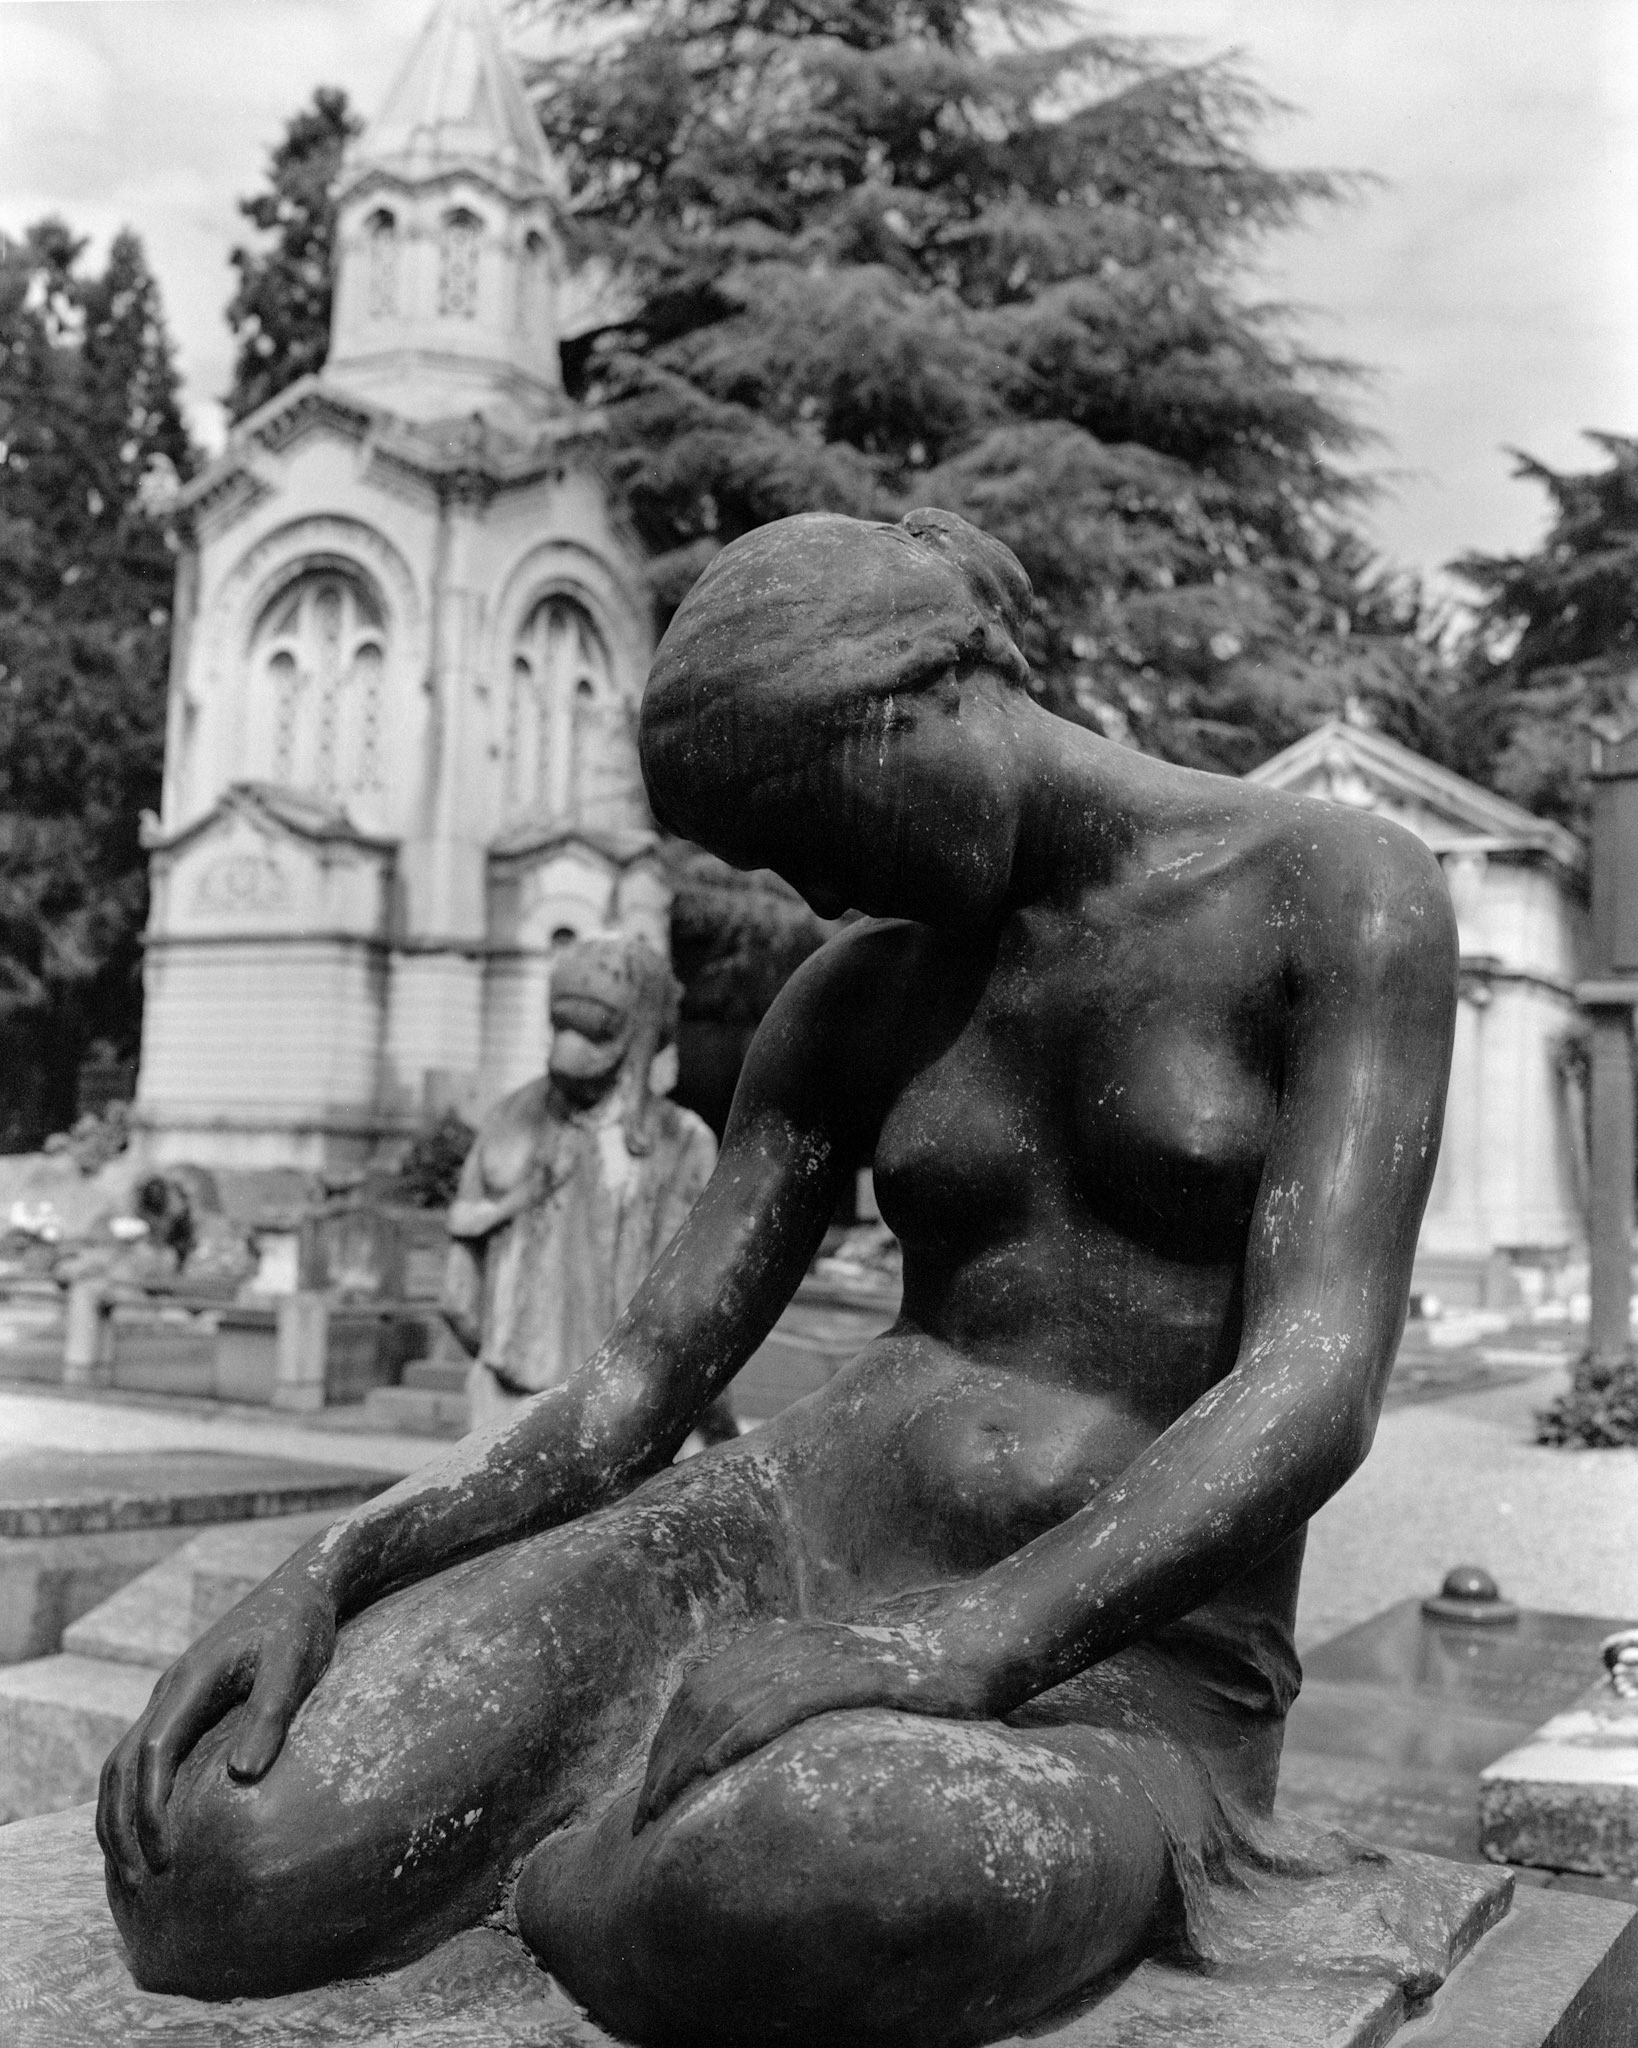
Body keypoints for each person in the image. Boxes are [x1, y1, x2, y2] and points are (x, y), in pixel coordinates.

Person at [98, 509, 1457, 2048]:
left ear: (924, 699)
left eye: (809, 826)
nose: (815, 894)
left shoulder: (1334, 892)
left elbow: (1311, 1383)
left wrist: (946, 1645)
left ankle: (564, 1876)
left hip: (1114, 1663)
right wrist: (338, 1565)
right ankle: (604, 1855)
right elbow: (631, 1388)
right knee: (211, 1848)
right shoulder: (854, 998)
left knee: (805, 1867)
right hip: (772, 1540)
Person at [440, 933, 723, 1436]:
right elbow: (694, 1319)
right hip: (626, 1421)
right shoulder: (681, 1141)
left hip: (508, 1405)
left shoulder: (508, 1118)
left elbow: (460, 1297)